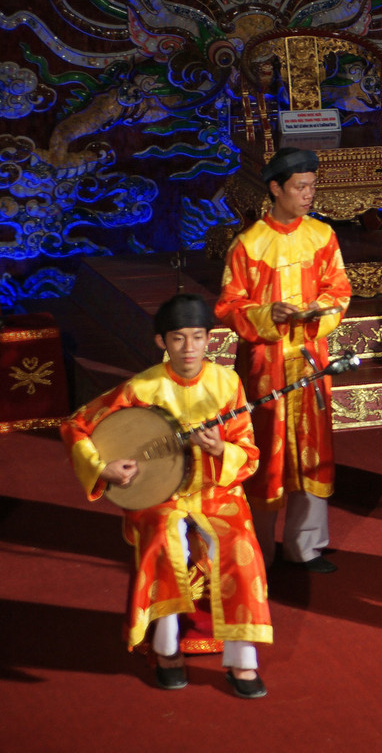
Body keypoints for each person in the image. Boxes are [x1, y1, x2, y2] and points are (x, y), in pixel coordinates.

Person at [60, 294, 272, 697]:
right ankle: (167, 649)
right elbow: (77, 424)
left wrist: (219, 451)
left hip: (215, 489)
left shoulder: (227, 383)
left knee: (239, 544)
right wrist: (102, 466)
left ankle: (243, 660)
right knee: (165, 539)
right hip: (160, 494)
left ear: (211, 339)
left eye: (197, 337)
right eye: (178, 339)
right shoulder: (142, 387)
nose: (188, 348)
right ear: (162, 342)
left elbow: (249, 454)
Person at [216, 146, 351, 572]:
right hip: (265, 365)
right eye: (300, 187)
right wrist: (265, 314)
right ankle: (259, 550)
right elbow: (228, 306)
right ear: (276, 188)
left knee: (313, 451)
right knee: (265, 453)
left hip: (310, 357)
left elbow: (340, 289)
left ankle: (305, 546)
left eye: (312, 185)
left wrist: (318, 311)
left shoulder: (323, 237)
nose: (309, 194)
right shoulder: (249, 245)